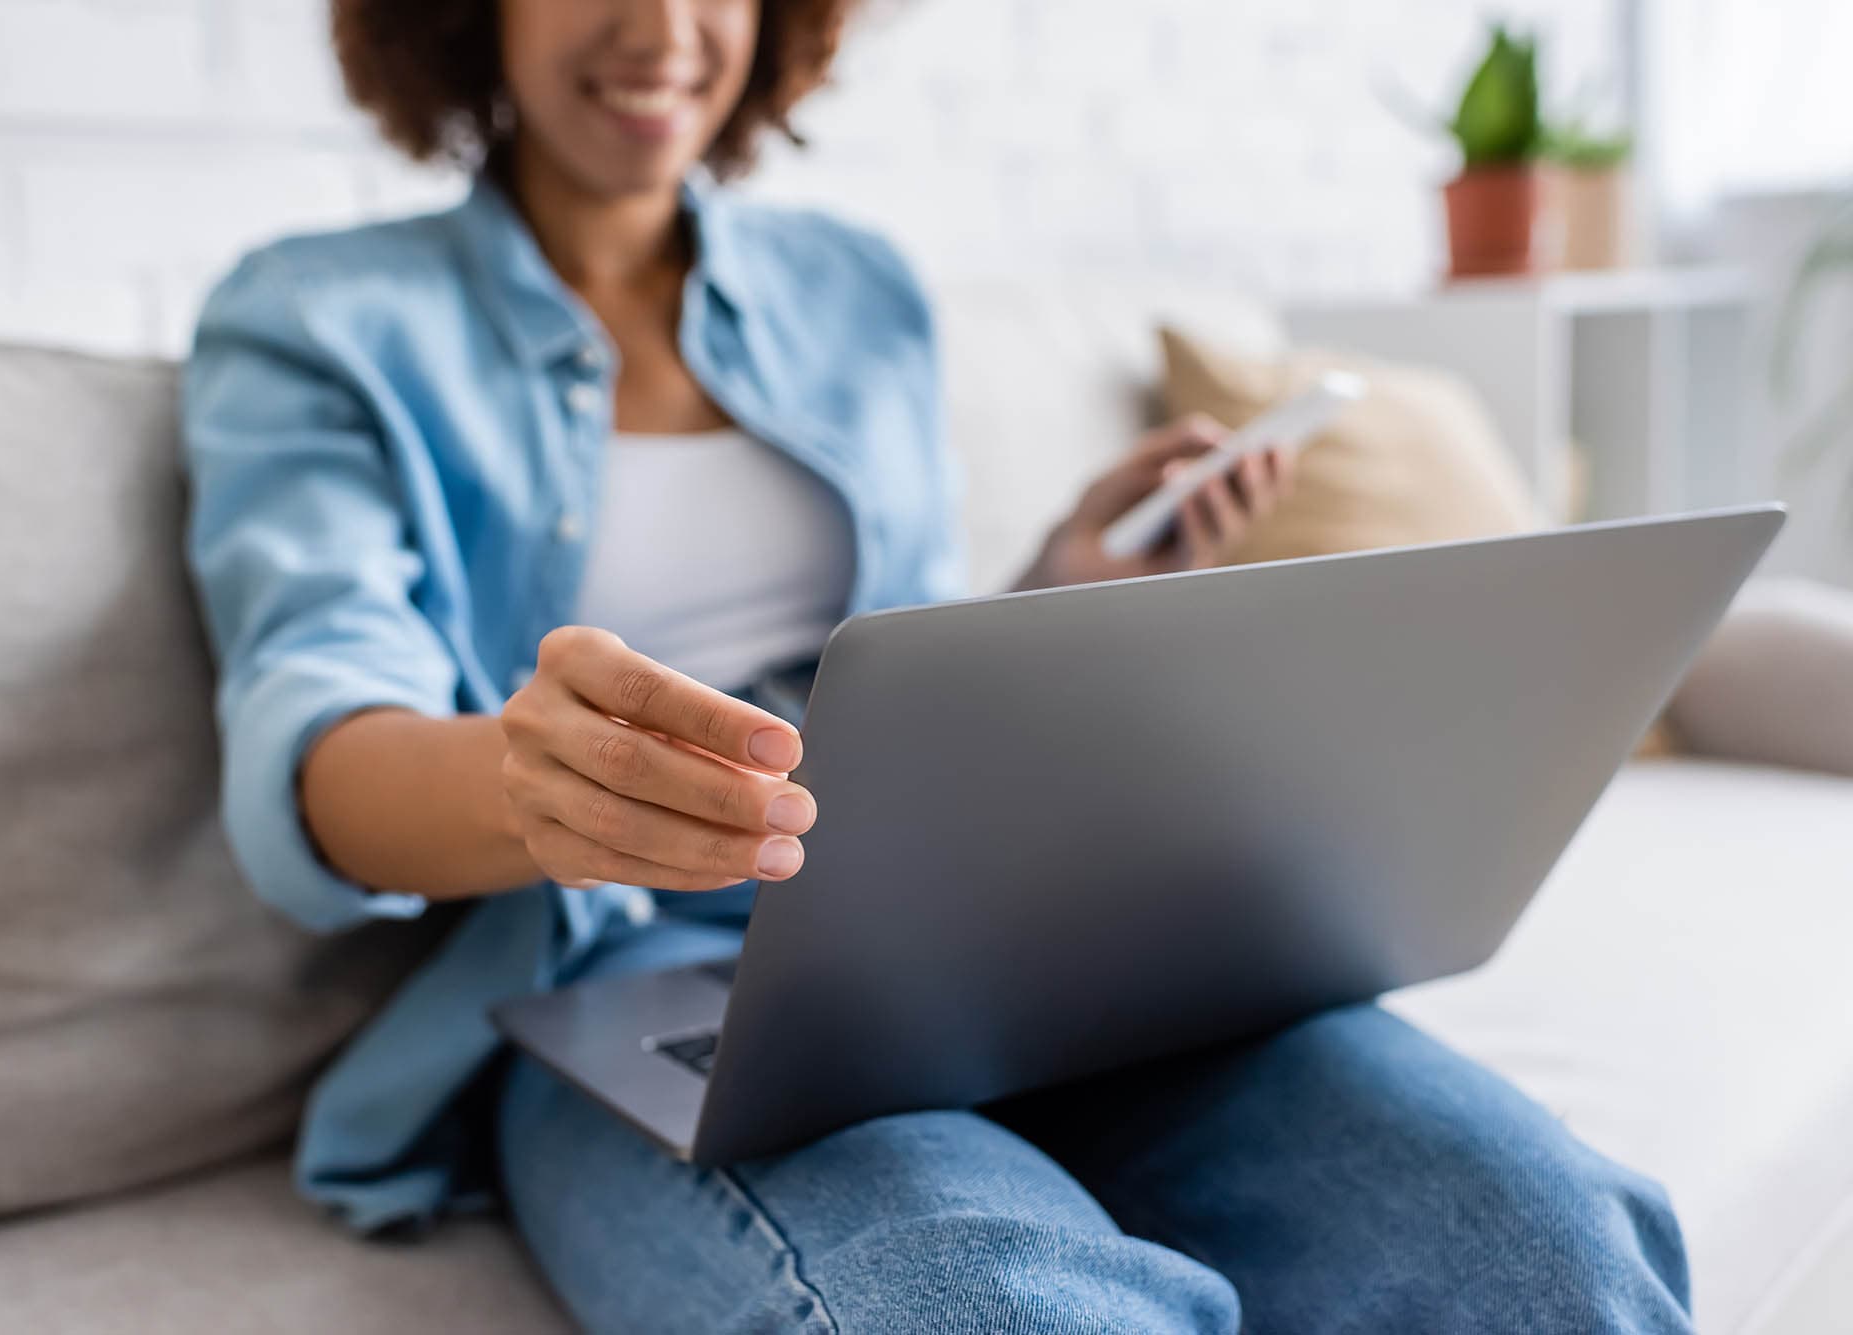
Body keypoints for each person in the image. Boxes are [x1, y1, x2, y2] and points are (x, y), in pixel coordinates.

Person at [181, 1, 1692, 1329]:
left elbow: (892, 679)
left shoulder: (857, 293)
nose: (662, 27)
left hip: (981, 940)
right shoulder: (317, 317)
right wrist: (530, 785)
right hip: (612, 974)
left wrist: (1058, 593)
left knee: (1547, 1242)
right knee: (1000, 1307)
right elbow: (312, 738)